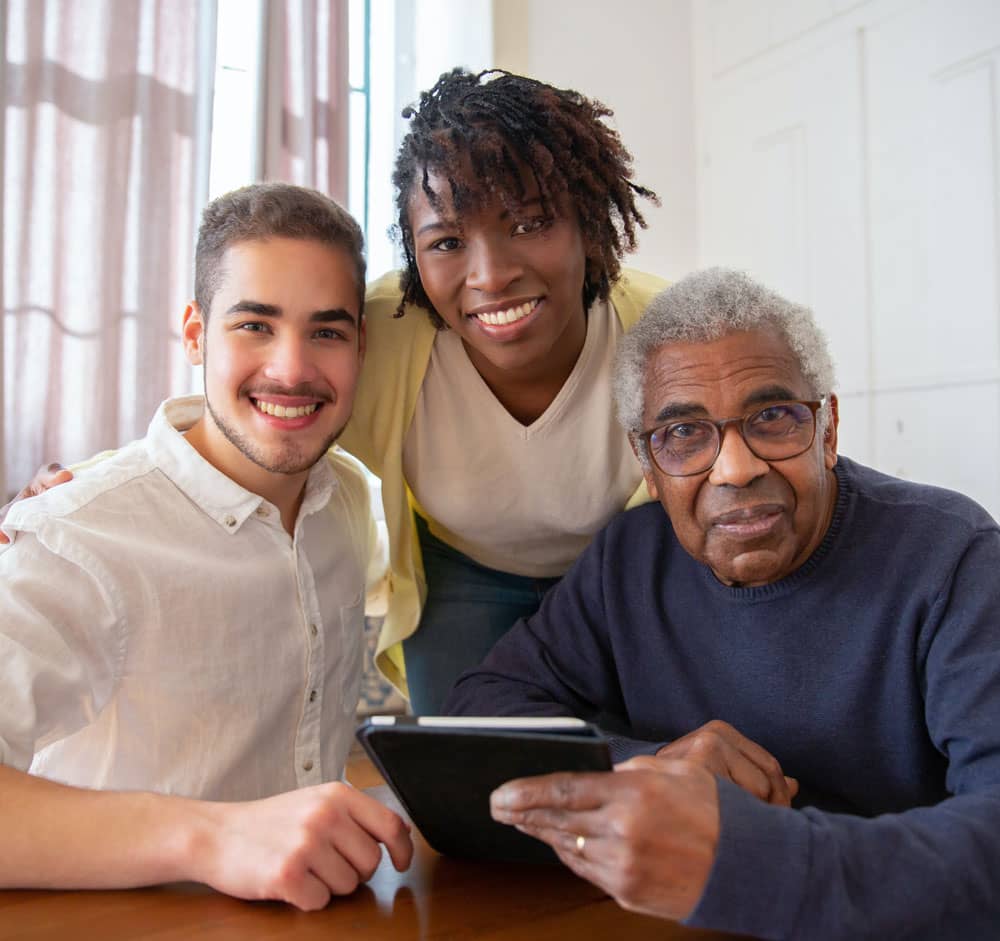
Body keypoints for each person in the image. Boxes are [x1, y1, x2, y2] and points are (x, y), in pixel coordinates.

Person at [3, 68, 666, 715]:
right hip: (465, 569)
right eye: (448, 241)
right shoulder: (383, 330)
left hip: (617, 565)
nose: (489, 276)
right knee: (469, 775)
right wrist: (76, 491)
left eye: (528, 224)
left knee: (633, 754)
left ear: (588, 222)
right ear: (414, 254)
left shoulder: (667, 332)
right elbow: (251, 409)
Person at [444, 268, 1000, 940]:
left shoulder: (953, 555)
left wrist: (743, 861)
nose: (735, 468)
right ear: (647, 464)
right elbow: (481, 705)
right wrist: (647, 766)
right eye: (684, 433)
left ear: (827, 428)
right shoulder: (628, 561)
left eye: (772, 417)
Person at [0, 183, 412, 909]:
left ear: (360, 345)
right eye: (254, 325)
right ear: (194, 334)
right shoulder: (76, 539)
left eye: (326, 331)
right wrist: (210, 836)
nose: (290, 368)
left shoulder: (346, 498)